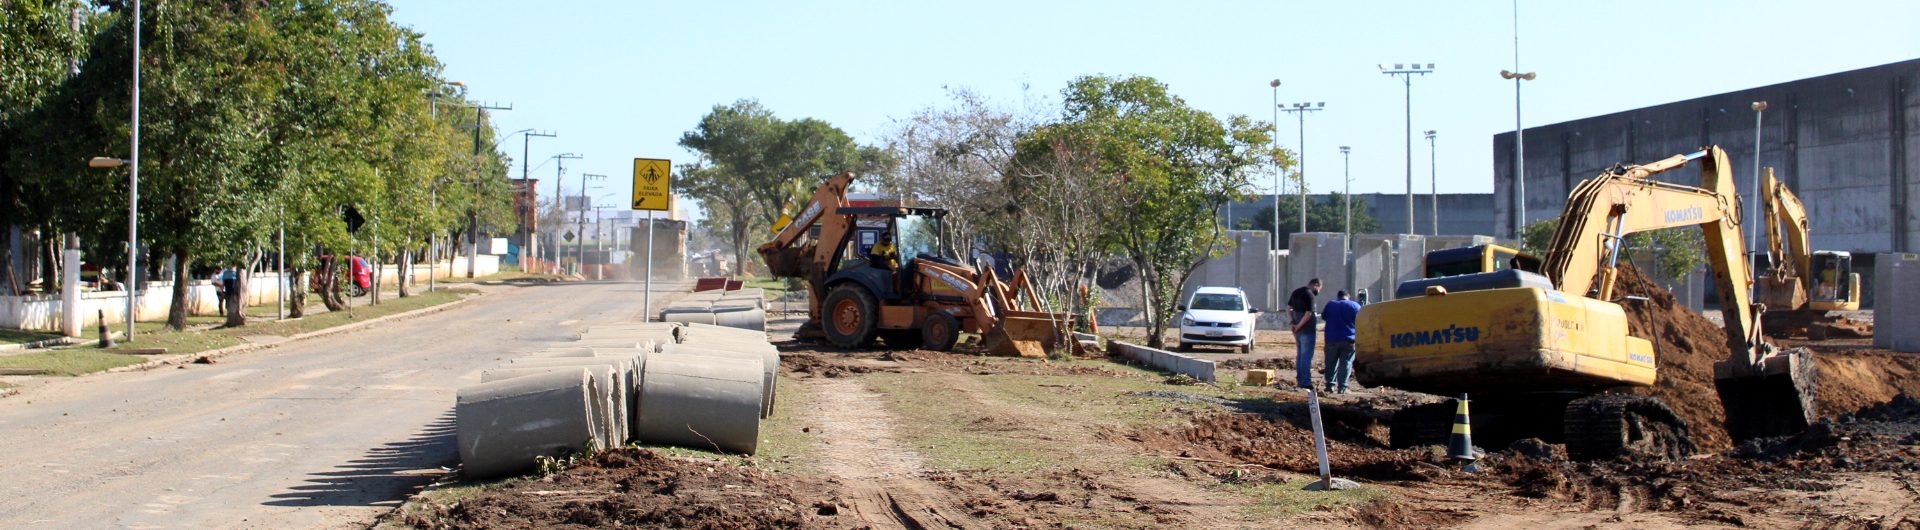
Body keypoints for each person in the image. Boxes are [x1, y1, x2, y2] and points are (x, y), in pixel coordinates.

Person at [1321, 290, 1363, 394]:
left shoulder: (1331, 304)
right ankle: (1343, 388)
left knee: (1330, 363)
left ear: (1338, 296)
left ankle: (1330, 386)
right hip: (1349, 340)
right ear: (1348, 296)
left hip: (1331, 339)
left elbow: (1324, 317)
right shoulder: (1355, 305)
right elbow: (1361, 320)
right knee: (1346, 363)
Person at [1287, 278, 1323, 389]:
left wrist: (1292, 322)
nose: (1318, 291)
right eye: (1319, 289)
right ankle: (1305, 382)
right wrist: (1298, 326)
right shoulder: (1310, 294)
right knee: (1306, 356)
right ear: (1316, 285)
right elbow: (1308, 314)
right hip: (1307, 330)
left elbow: (1288, 308)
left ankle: (1300, 379)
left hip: (1297, 330)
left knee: (1300, 356)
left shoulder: (1296, 292)